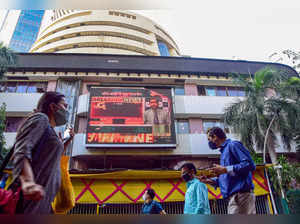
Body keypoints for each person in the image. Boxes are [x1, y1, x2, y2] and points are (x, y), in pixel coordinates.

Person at [8, 91, 74, 214]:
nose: (66, 110)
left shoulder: (51, 131)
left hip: (43, 201)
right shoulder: (41, 119)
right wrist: (28, 183)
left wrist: (64, 142)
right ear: (52, 107)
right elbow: (22, 150)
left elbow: (51, 159)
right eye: (64, 106)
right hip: (29, 199)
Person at [199, 127, 256, 214]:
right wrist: (209, 181)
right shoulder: (224, 152)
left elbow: (249, 165)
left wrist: (225, 169)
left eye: (209, 139)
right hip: (234, 198)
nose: (209, 142)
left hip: (241, 196)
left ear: (215, 137)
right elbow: (227, 177)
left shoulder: (233, 145)